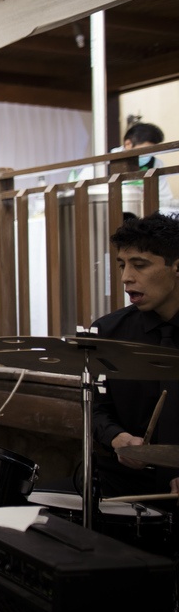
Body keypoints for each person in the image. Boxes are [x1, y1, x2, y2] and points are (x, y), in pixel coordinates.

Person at [92, 212, 179, 498]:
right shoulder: (108, 332)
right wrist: (117, 438)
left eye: (139, 265)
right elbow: (96, 408)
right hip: (126, 482)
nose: (126, 277)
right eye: (122, 265)